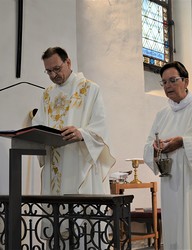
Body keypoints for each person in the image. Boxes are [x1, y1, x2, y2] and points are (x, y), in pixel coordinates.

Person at [32, 47, 116, 248]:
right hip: (55, 168)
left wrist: (82, 133)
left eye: (57, 69)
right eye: (48, 71)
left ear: (68, 62)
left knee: (83, 229)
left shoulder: (89, 89)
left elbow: (101, 126)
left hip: (80, 163)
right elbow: (39, 123)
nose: (53, 75)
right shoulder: (47, 94)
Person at [143, 61, 192, 250]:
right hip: (173, 184)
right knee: (175, 228)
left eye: (173, 80)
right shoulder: (162, 114)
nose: (168, 86)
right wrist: (155, 148)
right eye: (164, 82)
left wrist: (183, 142)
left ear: (185, 81)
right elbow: (148, 145)